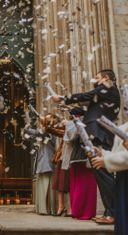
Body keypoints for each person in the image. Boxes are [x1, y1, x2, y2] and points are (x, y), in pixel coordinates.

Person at [52, 69, 120, 224]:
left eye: (96, 77)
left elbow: (85, 96)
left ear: (106, 77)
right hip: (95, 135)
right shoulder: (102, 95)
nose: (94, 80)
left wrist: (63, 98)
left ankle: (114, 213)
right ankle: (110, 212)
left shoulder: (108, 87)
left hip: (99, 135)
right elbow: (85, 109)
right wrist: (67, 108)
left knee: (104, 174)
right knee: (101, 174)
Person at [91, 84, 128, 235]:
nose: (126, 112)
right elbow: (120, 152)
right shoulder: (124, 127)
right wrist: (103, 153)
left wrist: (106, 161)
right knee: (122, 218)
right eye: (125, 108)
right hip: (122, 178)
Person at [24, 115, 56, 215]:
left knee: (45, 187)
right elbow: (30, 136)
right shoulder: (48, 131)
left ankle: (45, 209)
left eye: (47, 118)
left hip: (46, 162)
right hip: (46, 162)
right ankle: (48, 209)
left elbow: (33, 133)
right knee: (47, 187)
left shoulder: (49, 131)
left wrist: (28, 126)